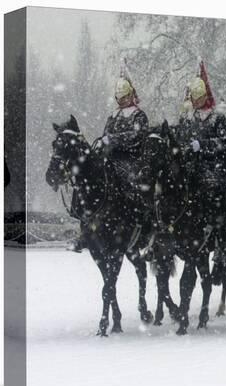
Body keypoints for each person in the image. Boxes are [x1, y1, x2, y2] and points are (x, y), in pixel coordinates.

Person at [69, 66, 149, 253]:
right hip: (110, 158)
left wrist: (113, 140)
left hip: (130, 159)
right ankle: (84, 224)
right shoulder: (113, 116)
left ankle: (137, 218)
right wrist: (101, 145)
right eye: (118, 98)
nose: (121, 101)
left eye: (124, 97)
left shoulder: (139, 115)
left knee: (129, 183)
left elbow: (137, 137)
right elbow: (106, 134)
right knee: (86, 179)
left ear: (131, 95)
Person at [177, 60, 226, 257]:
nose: (196, 101)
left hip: (213, 167)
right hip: (190, 167)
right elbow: (180, 139)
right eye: (194, 97)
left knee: (215, 195)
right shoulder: (187, 117)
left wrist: (204, 146)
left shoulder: (217, 117)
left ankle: (219, 235)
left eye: (199, 97)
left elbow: (224, 143)